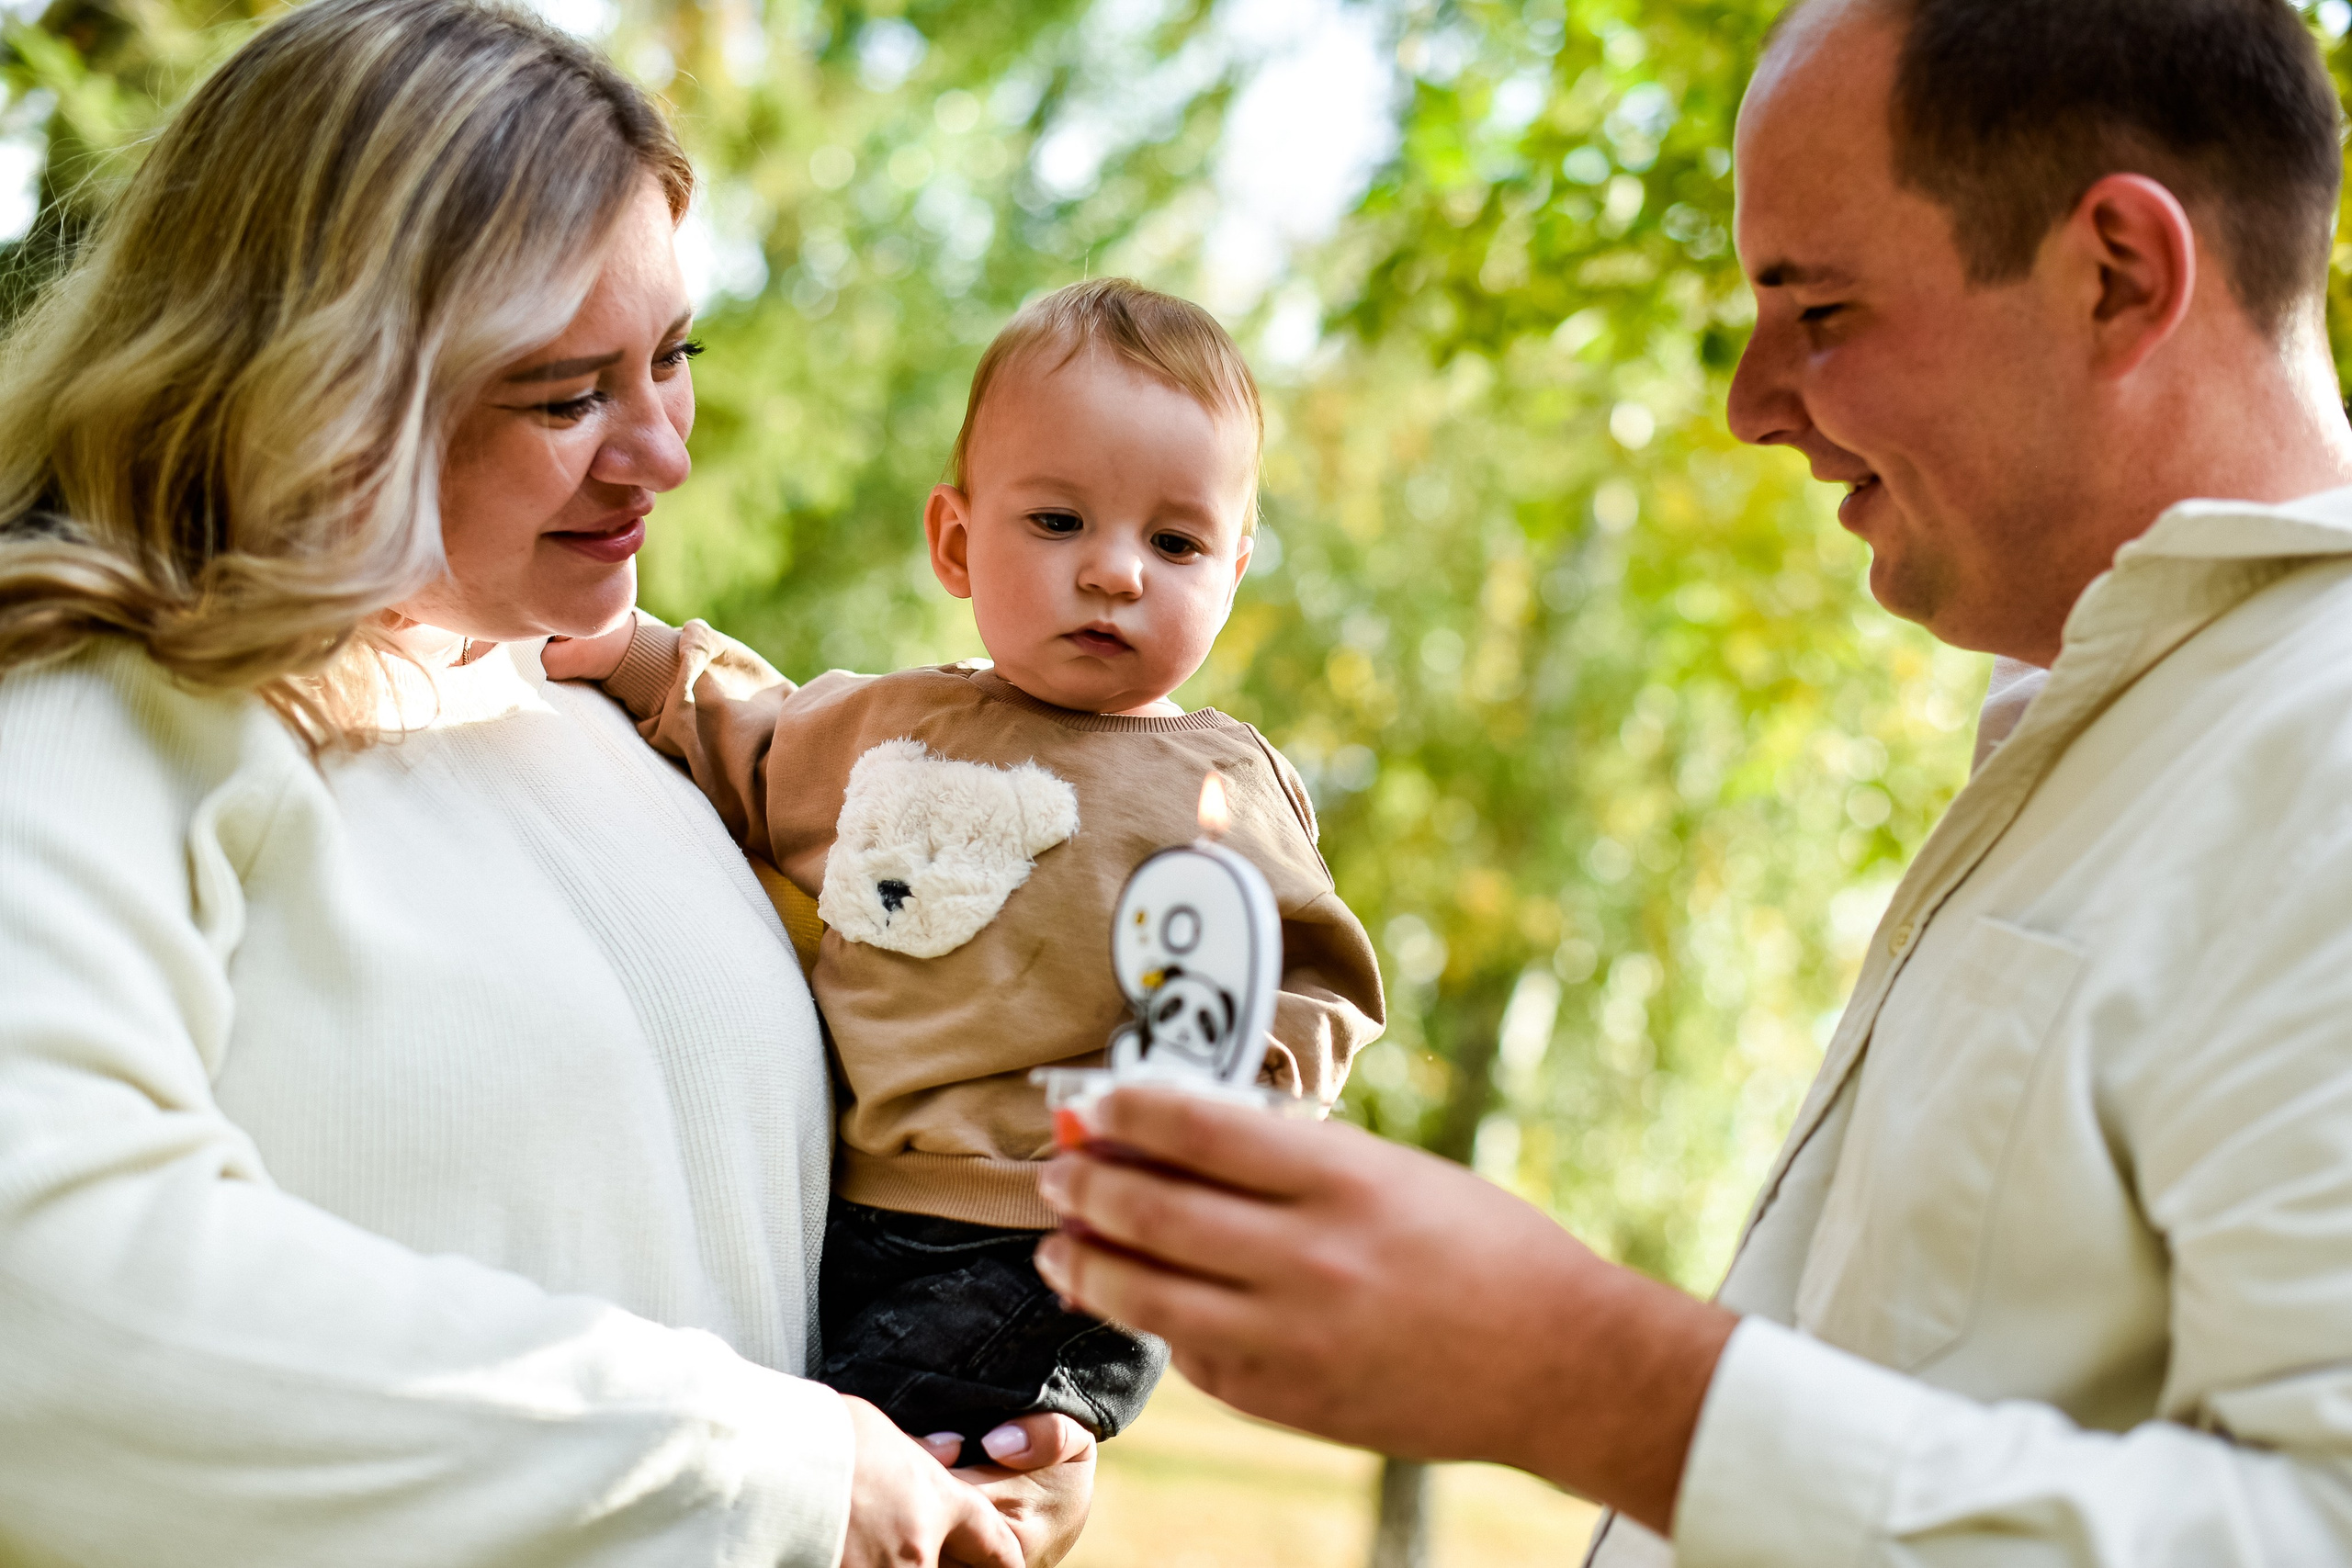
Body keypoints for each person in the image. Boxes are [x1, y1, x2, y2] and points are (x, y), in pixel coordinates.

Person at [1027, 0, 2352, 1562]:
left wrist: (1586, 1378)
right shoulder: (2101, 725)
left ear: (2117, 274)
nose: (1750, 403)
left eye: (1822, 309)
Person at [0, 1, 1088, 1562]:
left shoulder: (608, 718)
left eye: (671, 358)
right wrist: (768, 1468)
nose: (661, 453)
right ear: (328, 384)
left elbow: (712, 1244)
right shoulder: (88, 714)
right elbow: (44, 1305)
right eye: (568, 394)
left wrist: (958, 1425)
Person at [543, 277, 1385, 1465]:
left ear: (1233, 570)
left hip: (1061, 1236)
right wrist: (628, 654)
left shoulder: (1218, 786)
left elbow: (1315, 987)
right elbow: (749, 734)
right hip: (861, 1209)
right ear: (955, 540)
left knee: (848, 1465)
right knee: (807, 1424)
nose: (1115, 574)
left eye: (1175, 542)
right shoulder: (887, 729)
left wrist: (1222, 1111)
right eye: (1058, 524)